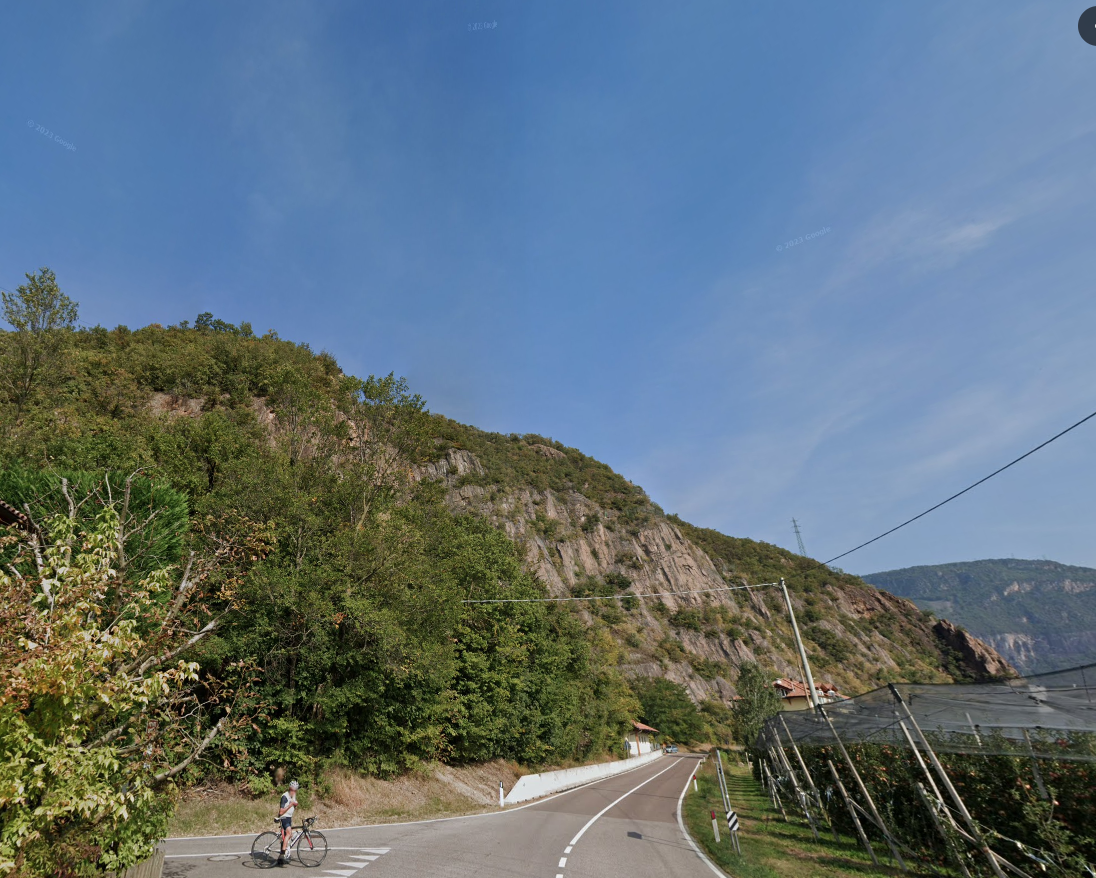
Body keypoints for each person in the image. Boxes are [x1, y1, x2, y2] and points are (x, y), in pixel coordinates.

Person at [277, 780, 300, 865]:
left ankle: (285, 853)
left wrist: (294, 804)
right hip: (284, 817)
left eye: (295, 790)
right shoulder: (285, 796)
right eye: (292, 790)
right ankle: (282, 854)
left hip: (289, 818)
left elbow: (294, 803)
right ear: (289, 789)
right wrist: (290, 805)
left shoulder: (292, 796)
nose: (293, 792)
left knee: (289, 836)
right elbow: (281, 812)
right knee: (289, 833)